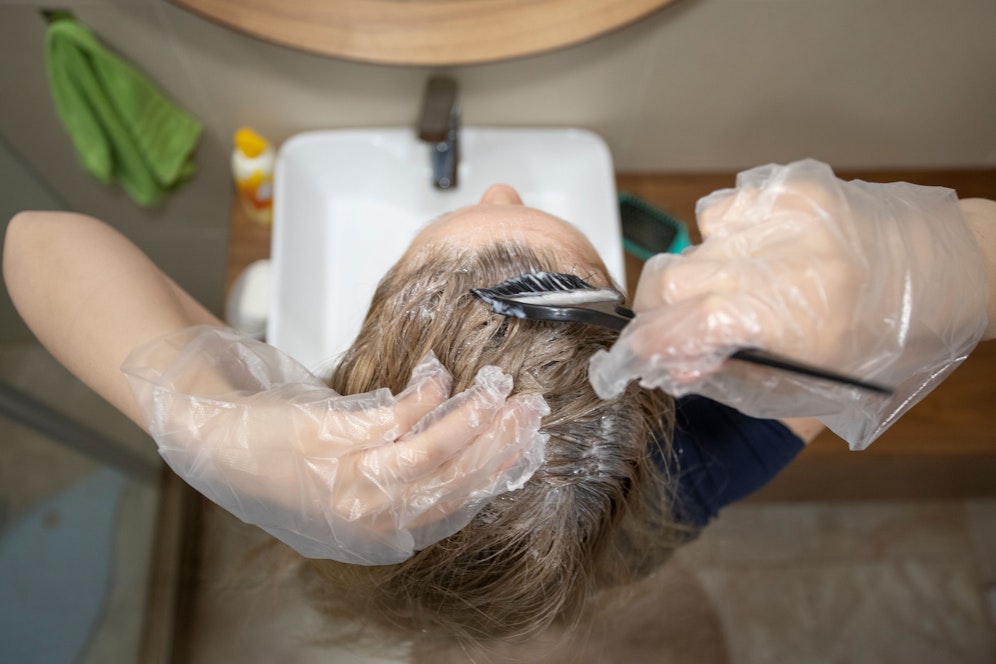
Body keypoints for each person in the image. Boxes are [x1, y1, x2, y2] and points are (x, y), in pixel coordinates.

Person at [4, 160, 993, 647]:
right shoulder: (695, 469)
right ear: (652, 411)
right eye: (520, 215)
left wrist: (219, 415)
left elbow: (36, 239)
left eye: (477, 213)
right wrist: (951, 267)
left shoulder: (305, 468)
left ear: (350, 379)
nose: (504, 182)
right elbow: (885, 342)